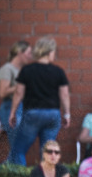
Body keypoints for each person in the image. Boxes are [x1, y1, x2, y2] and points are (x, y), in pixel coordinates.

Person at [10, 37, 71, 165]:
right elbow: (64, 95)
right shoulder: (58, 71)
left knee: (18, 150)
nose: (54, 54)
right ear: (48, 52)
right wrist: (67, 114)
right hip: (53, 115)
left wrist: (12, 112)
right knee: (48, 153)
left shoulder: (27, 70)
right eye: (54, 51)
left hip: (33, 113)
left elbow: (18, 93)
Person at [0, 40, 32, 165]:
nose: (30, 56)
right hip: (10, 108)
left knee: (18, 148)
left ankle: (1, 171)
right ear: (19, 52)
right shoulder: (7, 69)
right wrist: (20, 85)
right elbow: (2, 92)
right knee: (18, 148)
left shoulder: (22, 70)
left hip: (21, 108)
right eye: (28, 53)